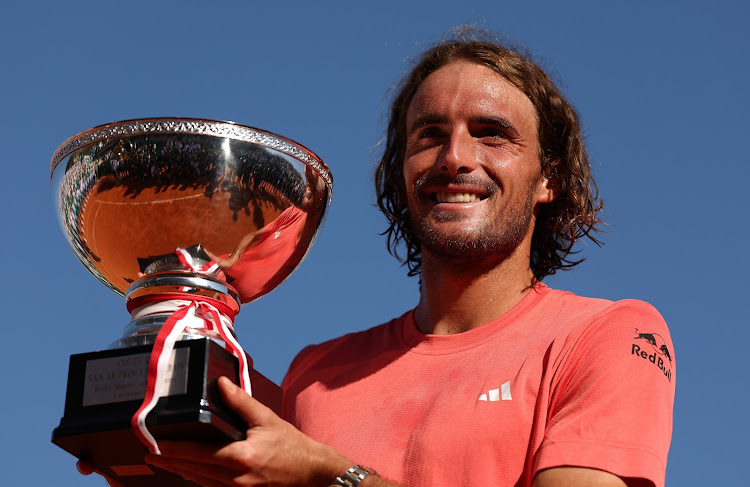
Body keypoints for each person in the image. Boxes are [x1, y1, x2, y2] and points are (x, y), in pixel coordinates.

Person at [81, 29, 675, 487]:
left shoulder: (608, 335)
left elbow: (317, 473)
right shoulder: (315, 373)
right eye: (429, 134)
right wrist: (161, 453)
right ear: (400, 172)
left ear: (549, 179)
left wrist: (331, 475)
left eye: (492, 132)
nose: (455, 157)